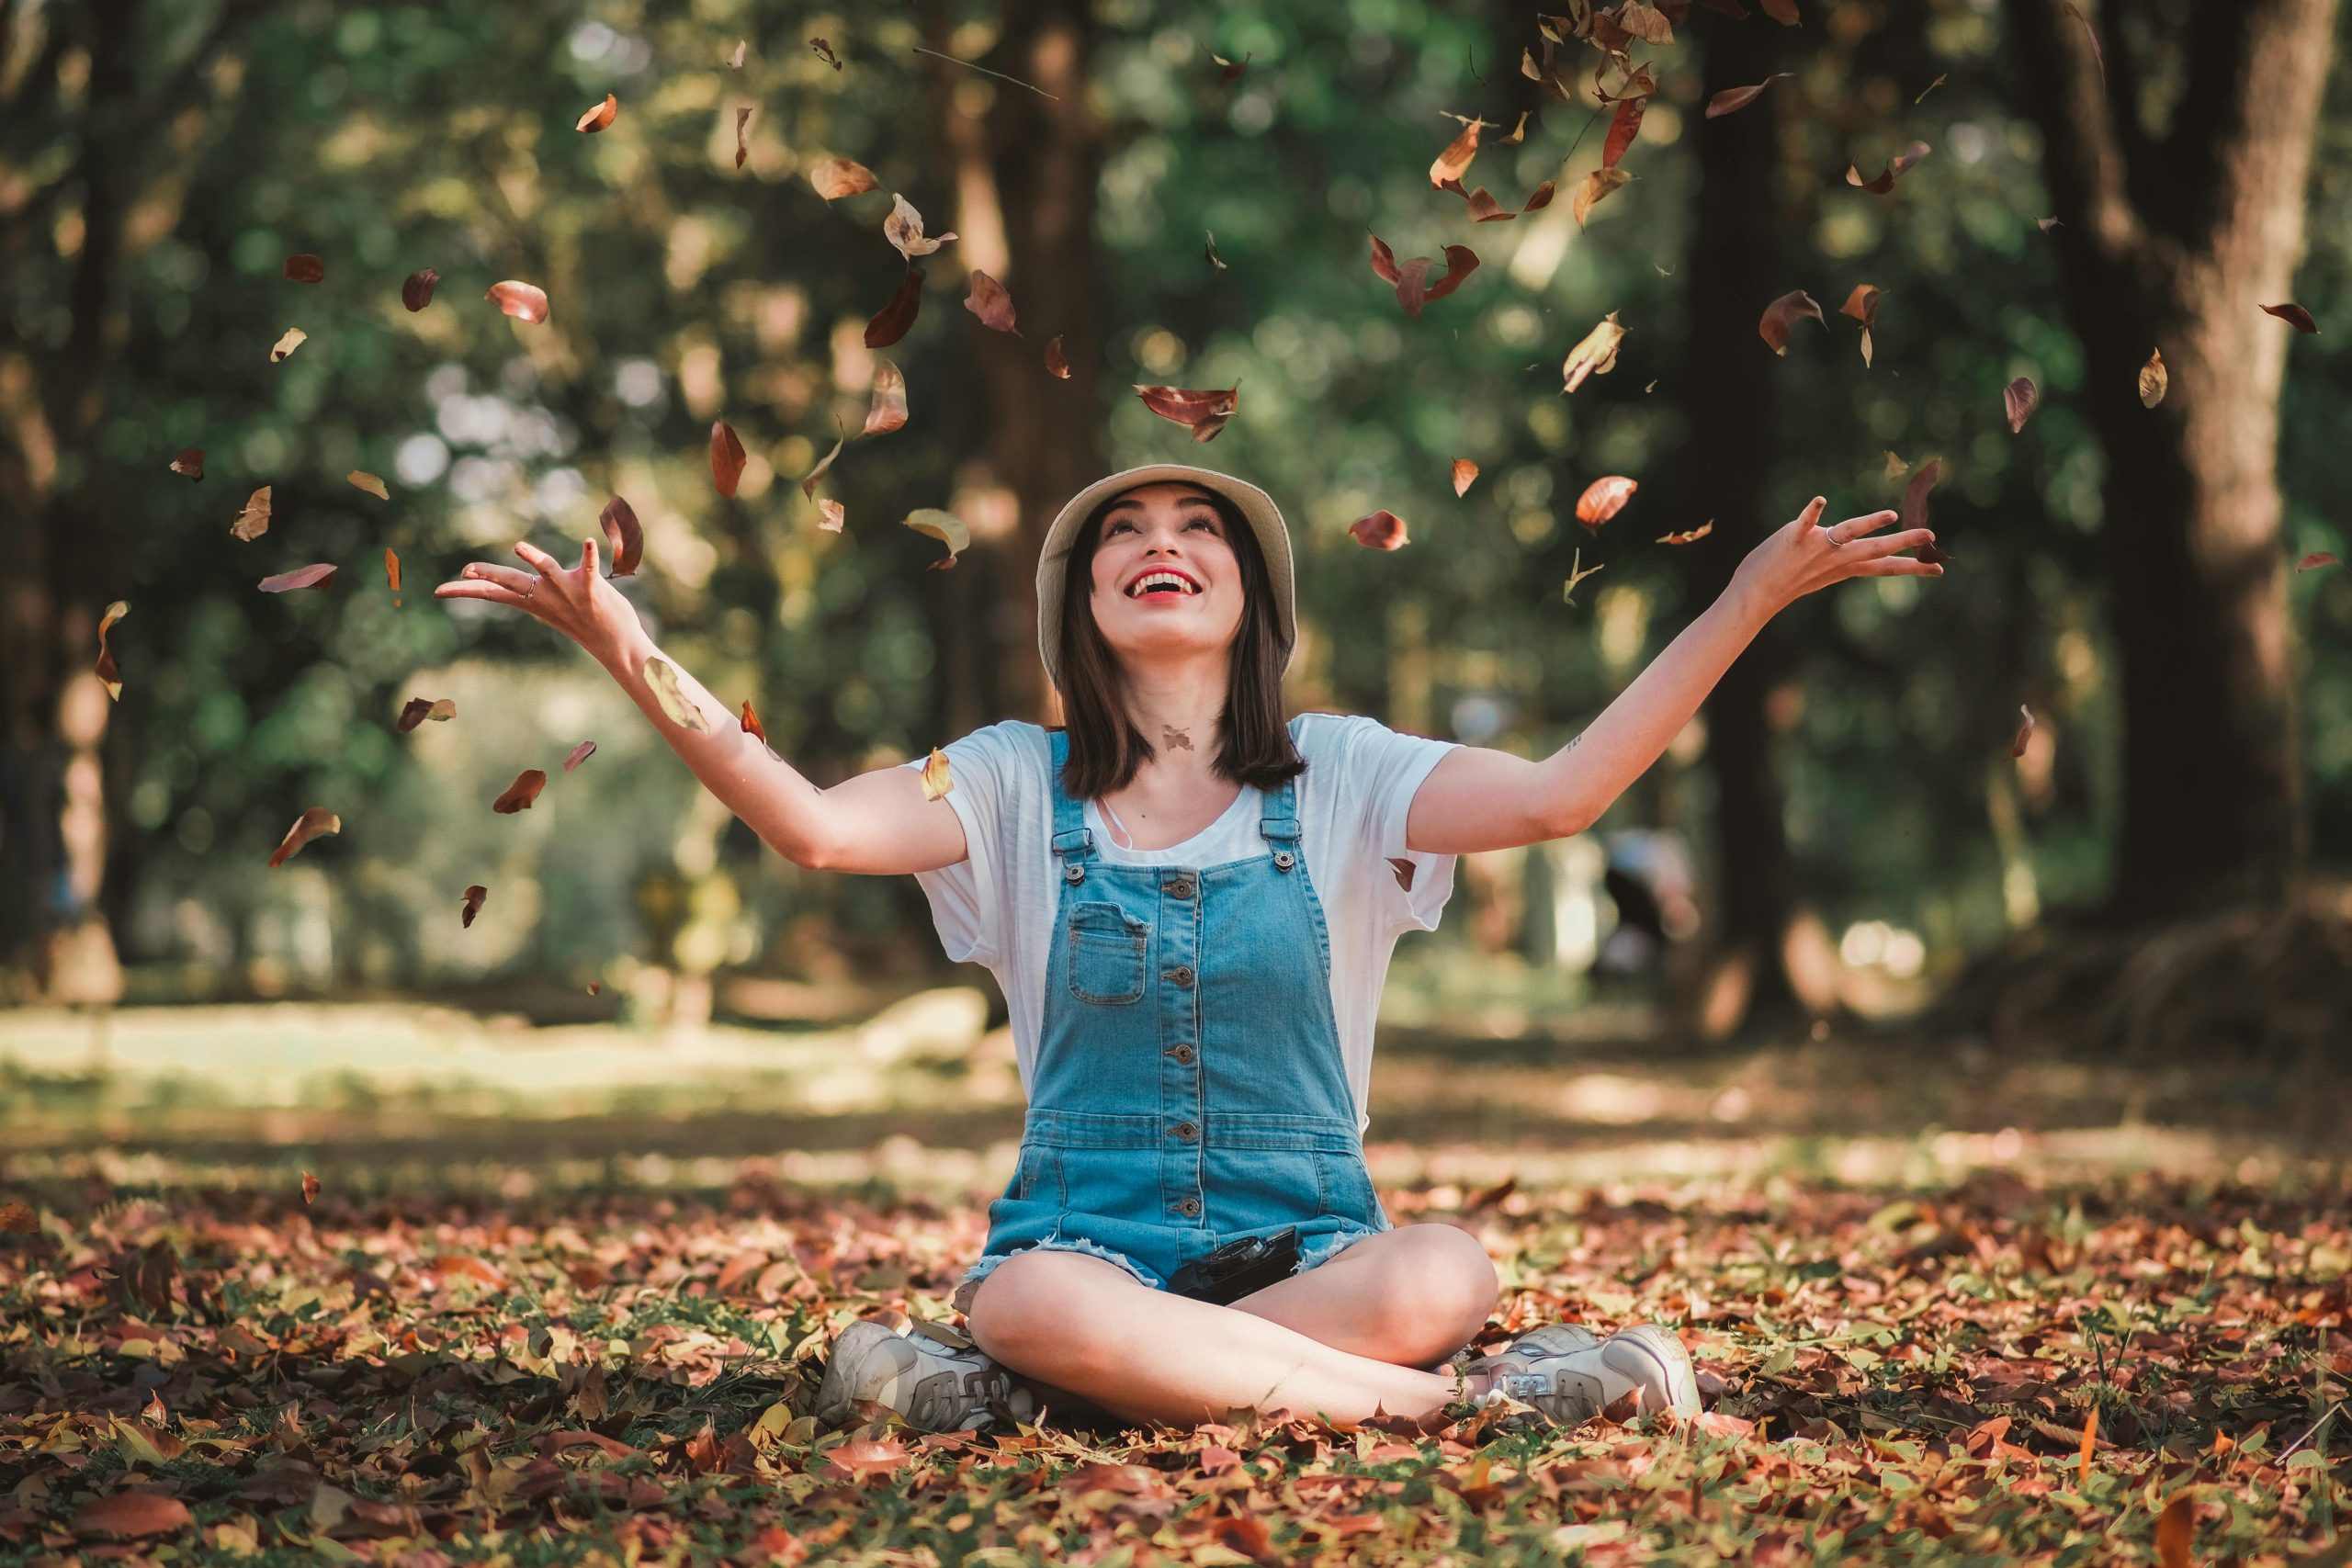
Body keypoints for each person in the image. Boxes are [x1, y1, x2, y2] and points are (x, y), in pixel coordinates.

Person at [438, 462, 1939, 1436]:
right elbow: (817, 829)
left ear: (1249, 601)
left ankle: (1049, 1399)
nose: (1162, 545)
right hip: (1087, 1251)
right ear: (1087, 606)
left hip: (1317, 1259)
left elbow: (1567, 795)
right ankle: (1456, 1411)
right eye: (1125, 539)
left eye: (1198, 528)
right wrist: (627, 647)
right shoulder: (1014, 781)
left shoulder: (1346, 776)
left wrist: (1746, 598)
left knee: (1447, 1266)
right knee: (1026, 1297)